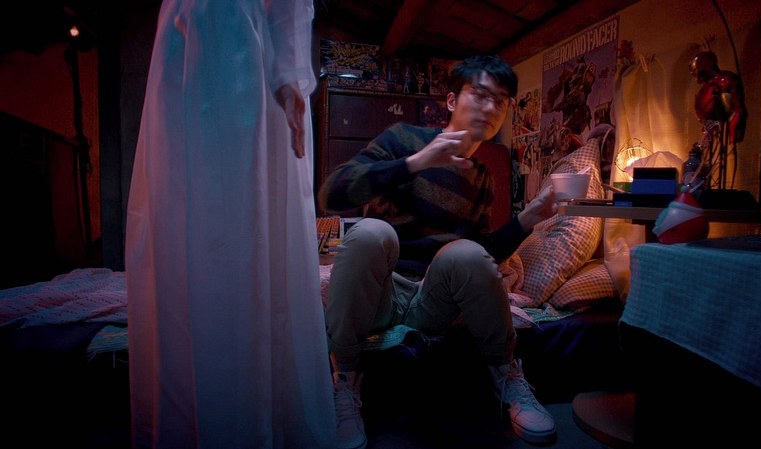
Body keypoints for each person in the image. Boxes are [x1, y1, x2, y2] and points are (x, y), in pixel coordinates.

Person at [318, 55, 561, 448]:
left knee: (465, 252)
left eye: (500, 100)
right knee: (372, 232)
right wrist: (416, 162)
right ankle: (343, 377)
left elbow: (480, 258)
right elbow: (332, 194)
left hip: (434, 299)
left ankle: (506, 375)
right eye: (479, 95)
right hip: (381, 291)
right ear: (451, 101)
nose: (490, 107)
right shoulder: (404, 139)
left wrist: (527, 219)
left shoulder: (482, 177)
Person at [125, 1, 336, 448]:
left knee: (242, 223)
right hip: (186, 35)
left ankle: (245, 417)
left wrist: (288, 71)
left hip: (243, 40)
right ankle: (190, 419)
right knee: (180, 211)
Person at [690, 50, 747, 143]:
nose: (697, 76)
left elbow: (734, 109)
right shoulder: (705, 89)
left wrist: (733, 132)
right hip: (712, 129)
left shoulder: (723, 80)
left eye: (698, 72)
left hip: (723, 126)